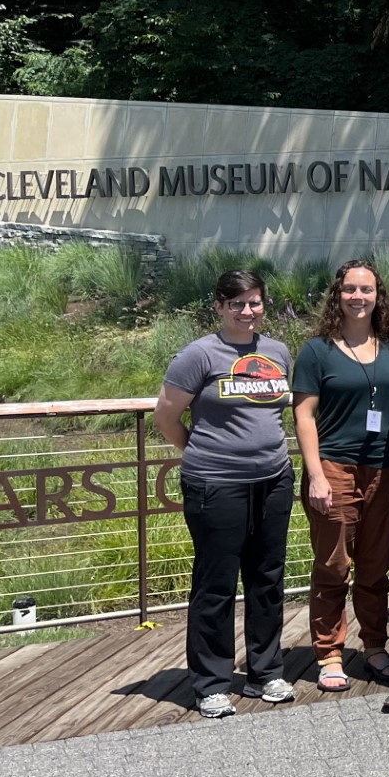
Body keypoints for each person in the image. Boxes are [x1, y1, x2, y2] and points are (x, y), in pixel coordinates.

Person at [153, 270, 297, 717]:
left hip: (273, 478)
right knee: (216, 583)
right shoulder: (198, 355)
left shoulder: (277, 351)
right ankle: (211, 682)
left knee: (267, 577)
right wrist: (200, 452)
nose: (247, 311)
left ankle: (265, 671)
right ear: (218, 306)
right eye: (236, 303)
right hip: (215, 483)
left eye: (254, 302)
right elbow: (166, 417)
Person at [292, 259, 389, 694]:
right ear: (336, 294)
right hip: (335, 468)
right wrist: (316, 475)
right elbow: (303, 416)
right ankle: (329, 653)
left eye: (366, 290)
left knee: (377, 565)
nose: (358, 297)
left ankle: (376, 647)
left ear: (378, 295)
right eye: (349, 290)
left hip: (387, 467)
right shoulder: (317, 351)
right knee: (333, 565)